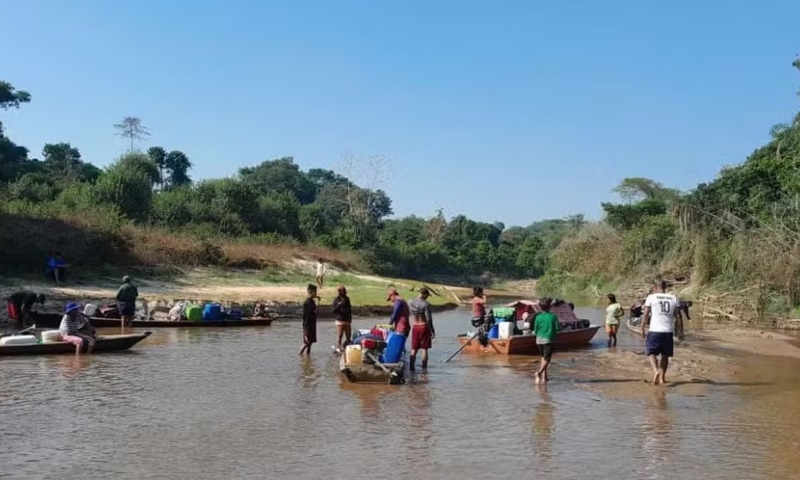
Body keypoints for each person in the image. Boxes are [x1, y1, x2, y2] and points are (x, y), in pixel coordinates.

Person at [642, 278, 683, 385]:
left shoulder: (651, 297)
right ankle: (662, 379)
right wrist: (680, 331)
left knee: (651, 353)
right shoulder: (674, 298)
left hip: (654, 330)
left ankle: (655, 371)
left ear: (655, 287)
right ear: (665, 288)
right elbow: (678, 316)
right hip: (668, 331)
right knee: (665, 355)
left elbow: (645, 314)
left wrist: (642, 328)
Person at [533, 298, 560, 384]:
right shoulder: (553, 316)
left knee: (543, 358)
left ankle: (545, 377)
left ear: (540, 307)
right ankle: (539, 373)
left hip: (538, 340)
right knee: (547, 359)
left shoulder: (538, 317)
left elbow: (535, 330)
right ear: (550, 307)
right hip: (548, 339)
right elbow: (557, 328)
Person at [408, 287, 435, 372]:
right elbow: (429, 319)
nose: (427, 297)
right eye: (427, 295)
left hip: (415, 326)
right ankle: (424, 369)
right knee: (424, 349)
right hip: (424, 326)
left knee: (413, 349)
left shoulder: (410, 301)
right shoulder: (426, 304)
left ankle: (411, 368)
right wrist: (432, 330)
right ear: (424, 294)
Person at [299, 284, 318, 355]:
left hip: (312, 325)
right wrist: (306, 329)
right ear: (310, 291)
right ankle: (299, 356)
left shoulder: (312, 302)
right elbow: (307, 316)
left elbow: (314, 312)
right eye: (315, 292)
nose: (316, 294)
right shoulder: (307, 302)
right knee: (306, 343)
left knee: (310, 344)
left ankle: (307, 359)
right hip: (307, 326)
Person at [332, 285, 353, 349]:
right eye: (342, 291)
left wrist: (350, 318)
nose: (343, 293)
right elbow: (334, 310)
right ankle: (339, 347)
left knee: (348, 335)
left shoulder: (347, 299)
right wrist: (339, 305)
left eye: (344, 292)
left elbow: (349, 309)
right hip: (340, 320)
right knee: (340, 335)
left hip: (347, 319)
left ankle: (348, 347)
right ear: (339, 292)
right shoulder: (336, 300)